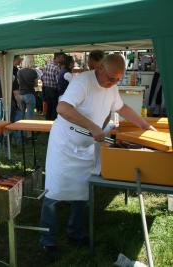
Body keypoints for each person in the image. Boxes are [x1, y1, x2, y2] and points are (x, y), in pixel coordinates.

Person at [39, 54, 156, 259]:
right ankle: (47, 241)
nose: (113, 83)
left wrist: (144, 125)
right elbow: (62, 108)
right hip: (65, 145)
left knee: (82, 192)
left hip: (86, 145)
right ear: (100, 68)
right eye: (111, 78)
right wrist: (93, 126)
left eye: (118, 79)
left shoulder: (111, 85)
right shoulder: (82, 81)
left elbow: (122, 107)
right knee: (53, 193)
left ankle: (74, 233)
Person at [42, 53, 65, 120]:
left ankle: (47, 122)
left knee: (48, 107)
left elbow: (42, 77)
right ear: (57, 58)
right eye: (61, 57)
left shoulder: (47, 66)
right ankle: (52, 123)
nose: (62, 59)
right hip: (53, 90)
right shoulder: (56, 68)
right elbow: (58, 81)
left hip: (46, 89)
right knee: (54, 108)